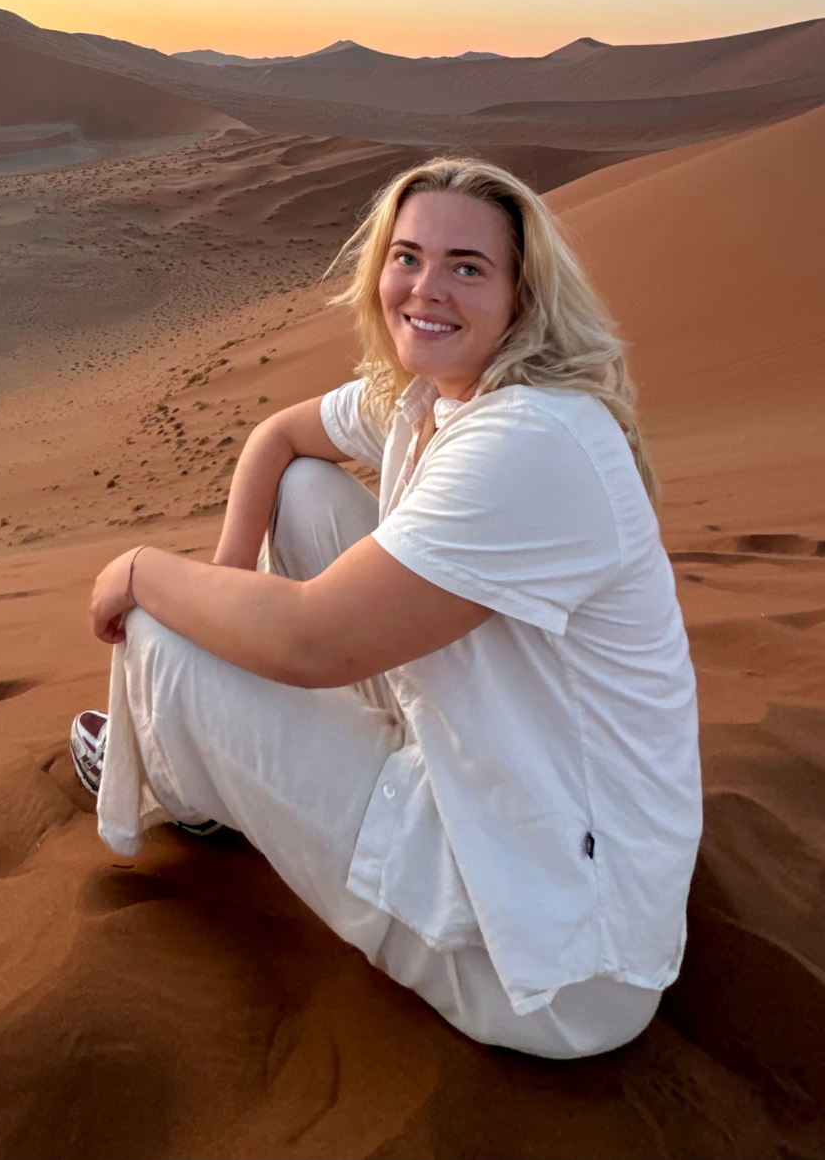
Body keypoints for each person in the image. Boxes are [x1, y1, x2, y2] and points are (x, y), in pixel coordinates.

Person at [70, 157, 700, 1059]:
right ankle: (194, 747)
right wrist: (227, 572)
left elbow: (310, 641)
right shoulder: (439, 393)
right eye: (407, 256)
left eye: (467, 266)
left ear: (524, 295)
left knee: (166, 631)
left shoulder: (530, 442)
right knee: (301, 494)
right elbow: (276, 439)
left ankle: (181, 782)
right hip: (536, 815)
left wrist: (145, 570)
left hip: (553, 966)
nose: (426, 288)